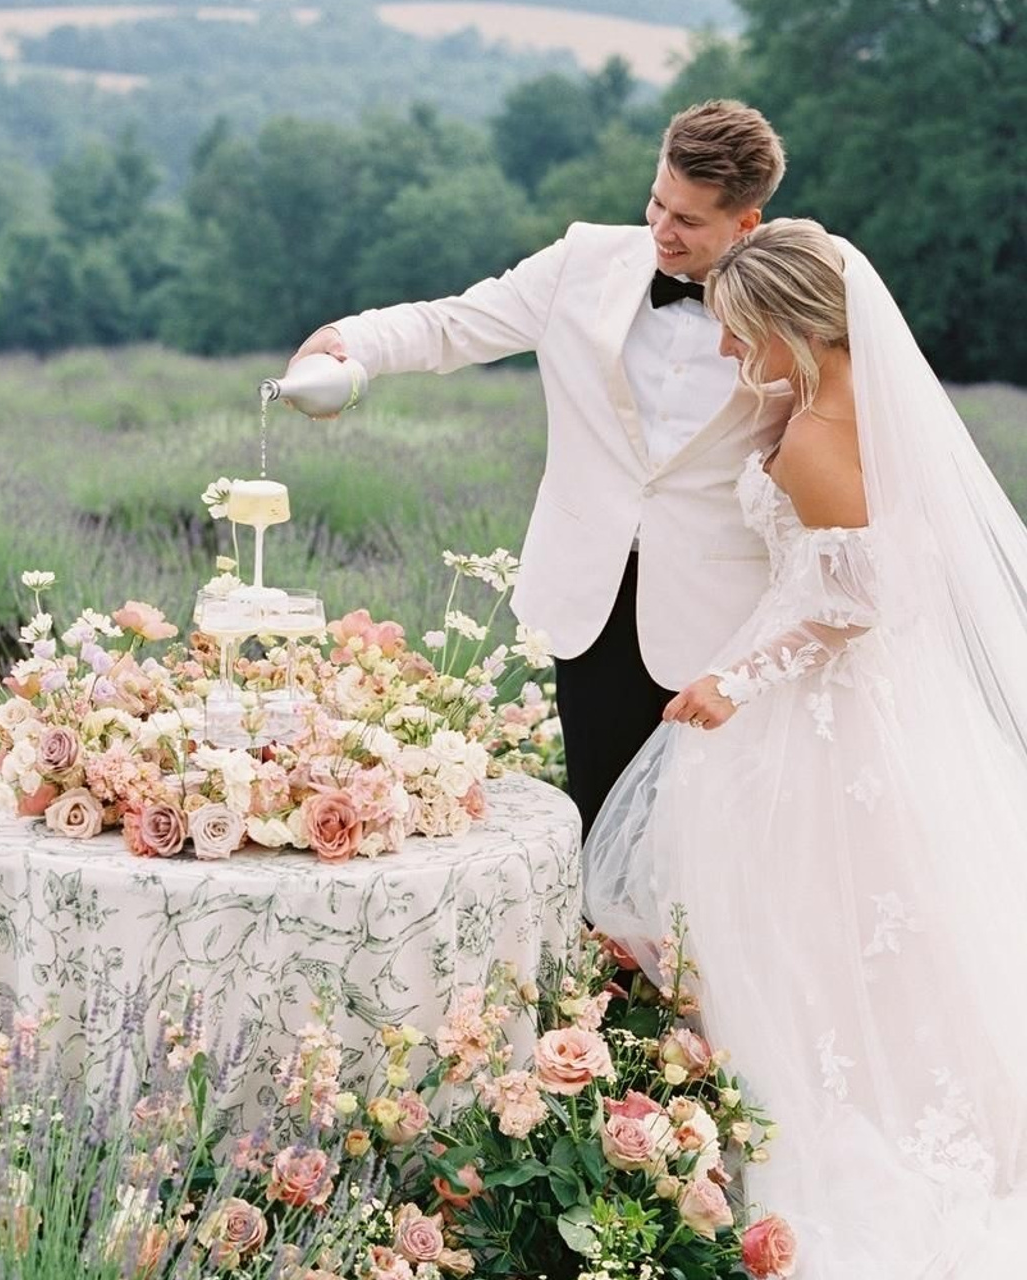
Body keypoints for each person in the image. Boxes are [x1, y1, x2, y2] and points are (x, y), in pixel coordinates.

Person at [584, 219, 1027, 1277]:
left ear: (792, 325)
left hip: (821, 707)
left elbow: (852, 608)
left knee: (807, 925)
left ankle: (837, 1136)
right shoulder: (839, 401)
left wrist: (732, 683)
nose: (728, 351)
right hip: (861, 698)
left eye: (742, 332)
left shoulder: (820, 437)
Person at [288, 100, 789, 837]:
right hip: (589, 596)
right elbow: (450, 324)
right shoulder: (582, 261)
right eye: (656, 202)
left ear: (746, 222)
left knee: (707, 838)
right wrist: (345, 343)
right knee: (597, 825)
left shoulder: (792, 292)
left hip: (726, 613)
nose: (661, 229)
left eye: (688, 220)